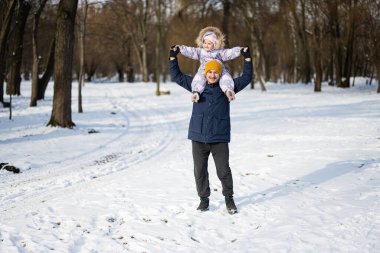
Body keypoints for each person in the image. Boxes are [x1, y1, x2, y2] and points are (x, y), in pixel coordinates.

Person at [169, 44, 253, 215]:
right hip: (198, 137)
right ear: (205, 73)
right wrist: (173, 57)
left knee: (223, 171)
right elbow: (176, 76)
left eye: (216, 72)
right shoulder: (196, 87)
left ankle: (229, 199)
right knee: (199, 172)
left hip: (219, 138)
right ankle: (204, 200)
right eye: (209, 72)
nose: (212, 75)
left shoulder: (227, 89)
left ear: (220, 74)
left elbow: (247, 77)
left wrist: (248, 59)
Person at [174, 26, 243, 103]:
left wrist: (240, 50)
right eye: (205, 43)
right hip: (204, 68)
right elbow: (191, 51)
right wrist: (180, 49)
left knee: (225, 77)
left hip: (218, 68)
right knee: (199, 78)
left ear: (215, 44)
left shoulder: (219, 52)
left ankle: (228, 90)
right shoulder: (200, 51)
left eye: (209, 43)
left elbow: (229, 53)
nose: (206, 45)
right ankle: (196, 92)